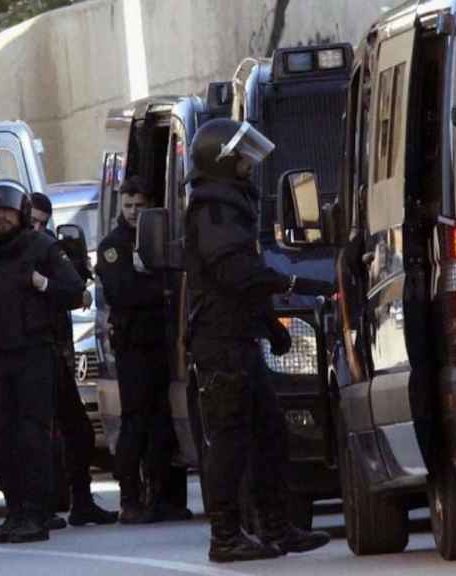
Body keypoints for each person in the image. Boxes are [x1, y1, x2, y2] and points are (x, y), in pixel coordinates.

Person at [183, 118, 334, 563]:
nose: (250, 164)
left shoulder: (230, 207)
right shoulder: (213, 210)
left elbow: (241, 285)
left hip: (239, 337)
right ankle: (225, 535)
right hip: (221, 341)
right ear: (224, 161)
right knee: (229, 439)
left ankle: (276, 526)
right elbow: (235, 276)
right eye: (242, 157)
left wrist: (272, 328)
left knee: (269, 433)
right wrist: (293, 283)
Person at [0, 180, 85, 544]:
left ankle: (36, 513)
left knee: (33, 436)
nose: (2, 219)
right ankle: (14, 510)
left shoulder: (41, 247)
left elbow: (75, 292)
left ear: (21, 214)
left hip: (34, 352)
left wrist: (43, 284)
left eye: (8, 212)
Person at [95, 176, 186, 524]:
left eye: (140, 205)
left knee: (162, 422)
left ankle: (163, 496)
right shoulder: (112, 245)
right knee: (135, 423)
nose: (134, 212)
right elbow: (122, 292)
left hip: (161, 341)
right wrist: (160, 291)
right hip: (133, 346)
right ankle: (130, 497)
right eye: (128, 205)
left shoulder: (157, 239)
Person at [28, 191, 119, 529]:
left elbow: (74, 289)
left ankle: (81, 501)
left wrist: (50, 284)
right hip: (26, 359)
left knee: (78, 431)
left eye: (41, 222)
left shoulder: (49, 249)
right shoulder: (10, 253)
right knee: (34, 436)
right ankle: (37, 507)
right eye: (31, 220)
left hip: (57, 353)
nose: (36, 227)